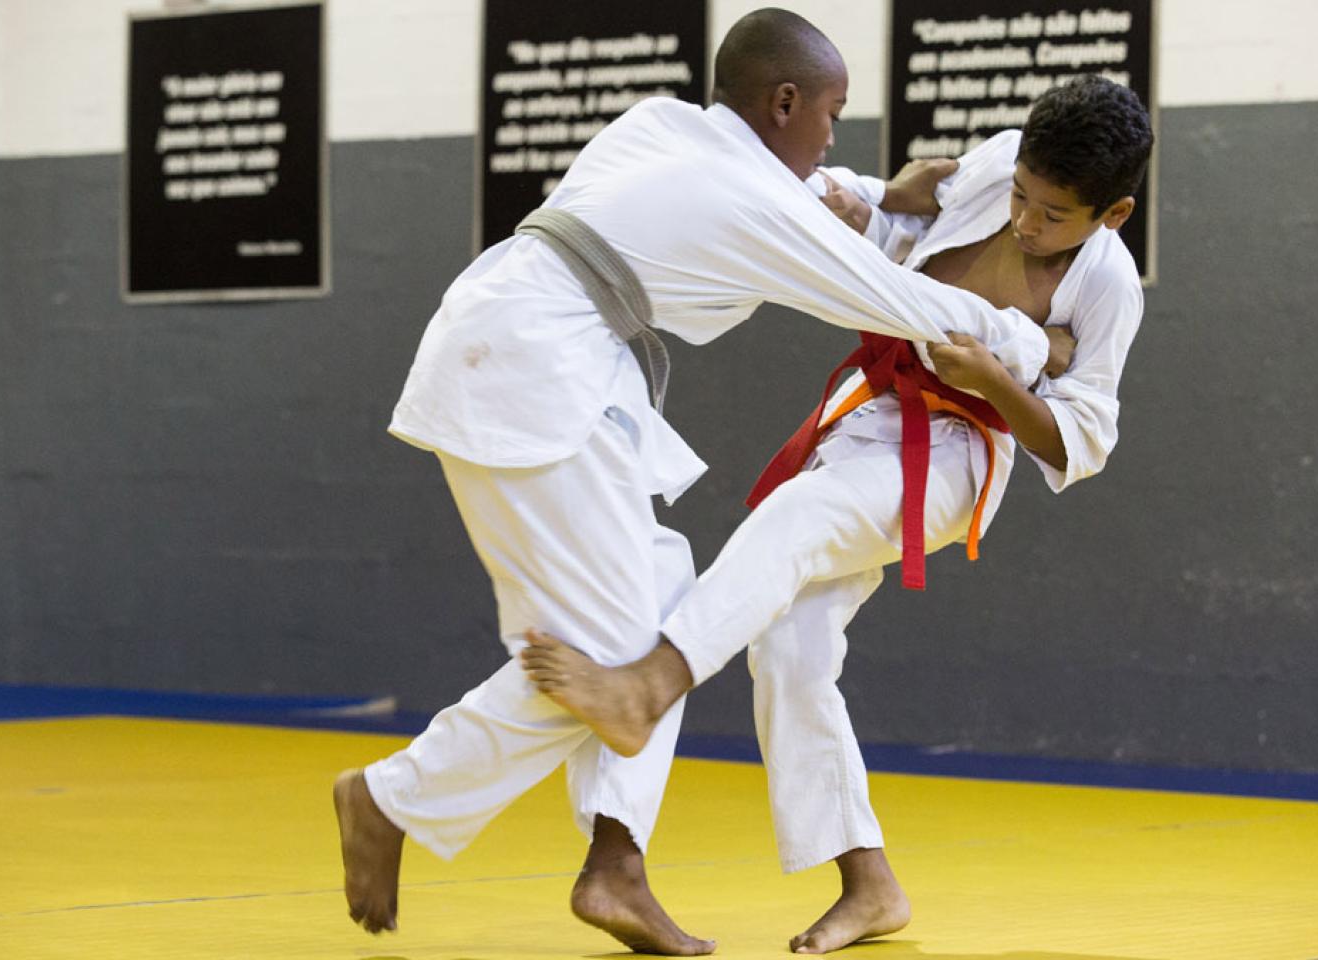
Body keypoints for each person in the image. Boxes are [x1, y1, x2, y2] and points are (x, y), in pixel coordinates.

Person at [332, 8, 1054, 953]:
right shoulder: (751, 207)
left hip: (518, 347)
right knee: (618, 654)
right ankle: (394, 798)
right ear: (785, 99)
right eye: (831, 111)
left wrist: (881, 189)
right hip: (533, 369)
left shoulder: (663, 124)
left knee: (666, 602)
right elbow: (897, 299)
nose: (834, 134)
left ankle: (616, 863)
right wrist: (1027, 342)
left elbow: (807, 186)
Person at [520, 75, 1154, 954]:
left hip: (959, 452)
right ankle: (868, 881)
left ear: (1112, 215)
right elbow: (919, 198)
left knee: (796, 520)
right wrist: (873, 206)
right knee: (790, 645)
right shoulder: (1004, 164)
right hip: (868, 417)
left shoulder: (1109, 287)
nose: (1024, 220)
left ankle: (651, 683)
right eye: (1020, 196)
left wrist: (1000, 381)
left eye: (1053, 215)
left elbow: (1080, 444)